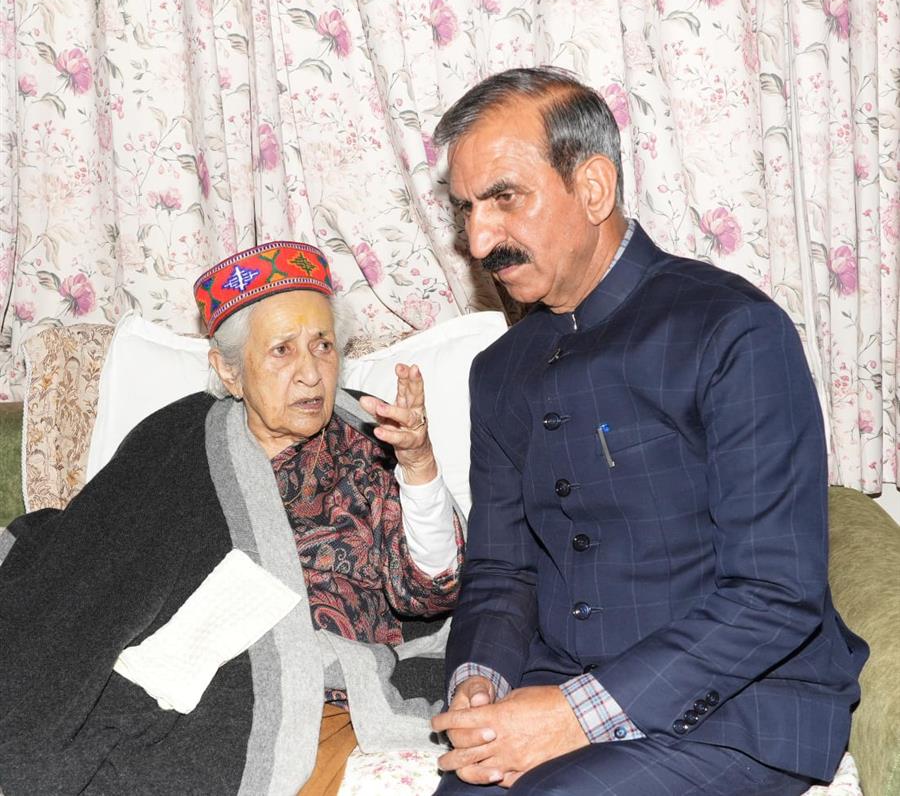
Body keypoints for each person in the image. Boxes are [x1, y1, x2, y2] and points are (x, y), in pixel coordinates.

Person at [429, 67, 868, 795]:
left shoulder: (732, 329)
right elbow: (503, 570)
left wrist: (572, 716)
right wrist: (481, 681)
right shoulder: (500, 371)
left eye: (504, 198)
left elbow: (775, 593)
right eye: (466, 210)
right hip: (561, 687)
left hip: (739, 709)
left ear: (593, 188)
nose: (479, 241)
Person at [0, 241, 464, 795]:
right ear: (229, 370)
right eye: (282, 351)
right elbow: (97, 566)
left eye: (322, 345)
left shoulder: (370, 437)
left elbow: (431, 593)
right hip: (184, 679)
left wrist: (419, 465)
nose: (311, 373)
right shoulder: (171, 439)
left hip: (322, 689)